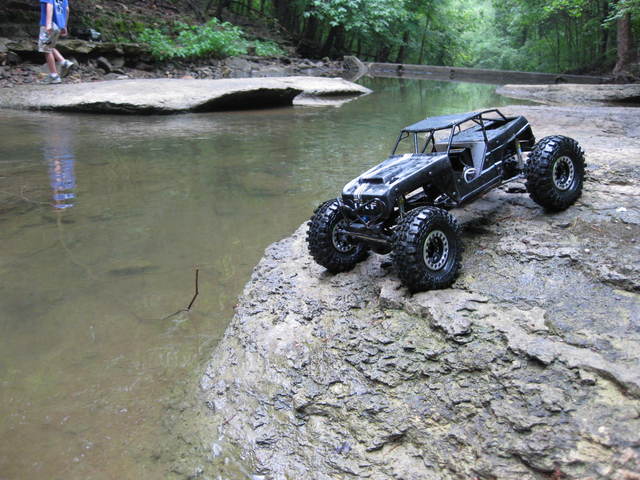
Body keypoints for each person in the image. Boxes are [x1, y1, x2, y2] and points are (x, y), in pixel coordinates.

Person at [38, 0, 75, 84]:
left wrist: (48, 24)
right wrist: (64, 25)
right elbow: (67, 9)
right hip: (58, 25)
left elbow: (49, 5)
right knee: (49, 45)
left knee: (46, 50)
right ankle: (64, 62)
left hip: (49, 25)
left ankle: (54, 75)